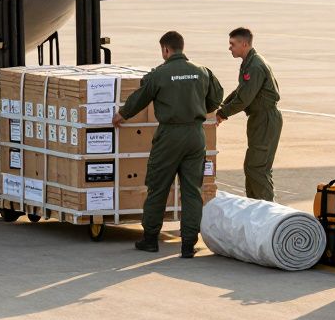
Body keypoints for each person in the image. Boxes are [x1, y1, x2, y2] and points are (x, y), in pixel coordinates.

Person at [113, 31, 223, 258]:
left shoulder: (160, 74)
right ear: (182, 48)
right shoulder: (202, 71)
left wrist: (122, 114)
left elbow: (141, 97)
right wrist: (199, 107)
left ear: (165, 50)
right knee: (192, 190)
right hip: (195, 135)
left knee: (158, 187)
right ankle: (188, 244)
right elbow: (216, 97)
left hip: (170, 135)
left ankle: (150, 239)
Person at [216, 27, 282, 201]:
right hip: (259, 119)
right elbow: (240, 91)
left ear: (244, 44)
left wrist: (222, 114)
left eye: (233, 44)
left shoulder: (255, 66)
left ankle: (267, 210)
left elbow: (244, 99)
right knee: (253, 166)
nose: (230, 48)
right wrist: (221, 106)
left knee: (257, 167)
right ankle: (255, 206)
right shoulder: (249, 63)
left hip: (265, 119)